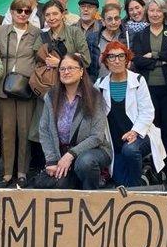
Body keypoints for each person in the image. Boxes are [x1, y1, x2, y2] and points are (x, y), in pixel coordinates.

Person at [37, 53, 112, 190]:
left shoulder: (94, 96)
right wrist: (51, 160)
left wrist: (71, 154)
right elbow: (45, 130)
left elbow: (97, 136)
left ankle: (91, 196)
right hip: (61, 154)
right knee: (57, 184)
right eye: (62, 69)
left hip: (94, 151)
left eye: (71, 68)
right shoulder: (51, 97)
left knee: (85, 162)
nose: (66, 72)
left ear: (81, 71)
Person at [96, 42, 166, 187]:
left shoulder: (138, 80)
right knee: (120, 181)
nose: (117, 61)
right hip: (115, 142)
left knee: (130, 150)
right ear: (106, 61)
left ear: (127, 60)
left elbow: (147, 112)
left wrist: (135, 132)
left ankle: (137, 189)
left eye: (121, 56)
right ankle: (144, 175)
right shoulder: (100, 85)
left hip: (140, 136)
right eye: (112, 57)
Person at [131, 0, 167, 186]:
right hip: (147, 90)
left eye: (158, 10)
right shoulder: (141, 35)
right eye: (151, 10)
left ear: (164, 12)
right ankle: (153, 170)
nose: (155, 14)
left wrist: (154, 56)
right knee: (152, 130)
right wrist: (161, 61)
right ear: (147, 12)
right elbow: (137, 60)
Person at [0, 0, 42, 187]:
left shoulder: (36, 32)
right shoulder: (1, 31)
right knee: (7, 131)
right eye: (19, 10)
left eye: (27, 11)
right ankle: (7, 173)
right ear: (12, 12)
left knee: (25, 131)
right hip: (4, 87)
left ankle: (22, 172)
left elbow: (40, 59)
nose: (22, 14)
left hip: (25, 89)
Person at [40, 0, 91, 68]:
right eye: (47, 15)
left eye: (55, 14)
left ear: (62, 15)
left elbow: (86, 61)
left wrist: (60, 63)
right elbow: (38, 62)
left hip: (72, 74)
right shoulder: (42, 36)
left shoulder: (75, 32)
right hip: (49, 74)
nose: (51, 18)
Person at [88, 3, 128, 79]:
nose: (114, 22)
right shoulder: (92, 38)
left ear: (120, 20)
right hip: (100, 82)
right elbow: (90, 66)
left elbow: (134, 60)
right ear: (103, 21)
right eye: (109, 19)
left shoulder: (128, 36)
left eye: (116, 18)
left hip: (124, 81)